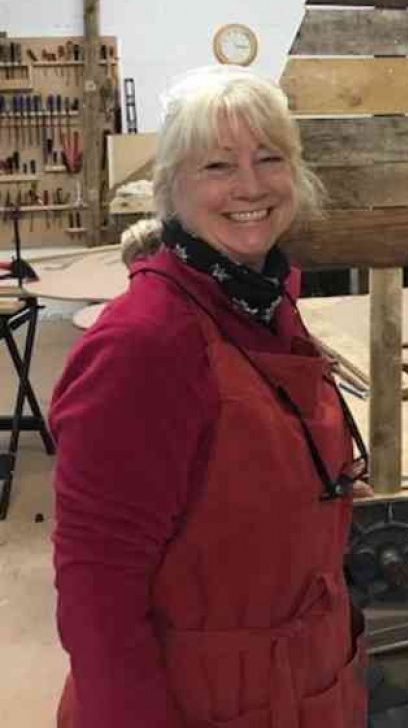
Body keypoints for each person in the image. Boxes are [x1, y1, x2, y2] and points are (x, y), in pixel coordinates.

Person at [50, 67, 370, 728]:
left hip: (303, 677)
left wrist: (318, 505)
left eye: (269, 159)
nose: (249, 187)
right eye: (218, 165)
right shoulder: (142, 345)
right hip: (202, 698)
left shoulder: (263, 296)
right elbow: (96, 591)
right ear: (171, 188)